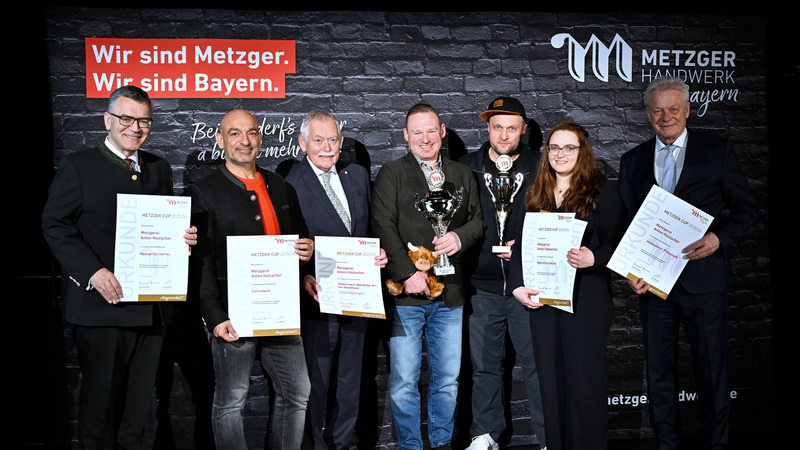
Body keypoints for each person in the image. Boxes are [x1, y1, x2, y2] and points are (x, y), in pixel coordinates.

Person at [41, 85, 197, 448]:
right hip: (102, 311)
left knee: (137, 417)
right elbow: (54, 223)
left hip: (151, 309)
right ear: (107, 120)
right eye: (126, 118)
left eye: (144, 121)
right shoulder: (78, 166)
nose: (135, 128)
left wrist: (182, 238)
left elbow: (160, 224)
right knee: (100, 414)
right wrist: (92, 271)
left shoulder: (158, 167)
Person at [617, 77, 758, 450]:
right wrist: (631, 270)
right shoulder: (632, 161)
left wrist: (717, 238)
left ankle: (717, 445)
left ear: (687, 110)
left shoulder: (716, 151)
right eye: (658, 110)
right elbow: (625, 225)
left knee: (711, 372)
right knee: (659, 374)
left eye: (673, 109)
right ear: (648, 114)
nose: (666, 117)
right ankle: (667, 445)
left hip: (704, 283)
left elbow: (747, 209)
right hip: (652, 285)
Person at [188, 109, 314, 449]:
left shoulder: (280, 186)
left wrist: (305, 259)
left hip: (281, 312)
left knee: (298, 391)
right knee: (232, 399)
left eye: (252, 133)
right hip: (233, 317)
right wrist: (214, 316)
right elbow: (201, 261)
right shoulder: (204, 191)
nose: (245, 141)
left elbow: (296, 239)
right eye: (235, 133)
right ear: (220, 140)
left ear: (260, 138)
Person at [371, 103, 485, 450]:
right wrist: (407, 273)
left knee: (447, 380)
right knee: (404, 381)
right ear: (406, 136)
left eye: (431, 131)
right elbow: (382, 225)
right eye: (417, 132)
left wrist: (458, 238)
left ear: (442, 132)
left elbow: (478, 221)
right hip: (406, 296)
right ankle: (410, 446)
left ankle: (440, 444)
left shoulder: (461, 174)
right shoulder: (391, 173)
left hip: (450, 291)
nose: (425, 139)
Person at [510, 121, 627, 450]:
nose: (560, 154)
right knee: (551, 385)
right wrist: (517, 286)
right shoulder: (535, 191)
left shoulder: (602, 191)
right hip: (543, 303)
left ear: (582, 151)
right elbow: (519, 245)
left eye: (569, 147)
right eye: (554, 147)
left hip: (586, 303)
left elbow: (621, 243)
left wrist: (595, 258)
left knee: (584, 385)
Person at [284, 110, 388, 449]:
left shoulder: (356, 174)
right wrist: (303, 272)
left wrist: (381, 253)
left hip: (358, 297)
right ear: (302, 143)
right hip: (318, 297)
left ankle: (341, 444)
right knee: (316, 383)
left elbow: (371, 229)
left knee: (350, 381)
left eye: (333, 139)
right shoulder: (289, 182)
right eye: (318, 140)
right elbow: (285, 240)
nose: (327, 147)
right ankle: (314, 445)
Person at [458, 97, 546, 450]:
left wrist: (524, 249)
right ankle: (486, 434)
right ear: (488, 128)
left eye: (511, 128)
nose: (504, 134)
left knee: (537, 366)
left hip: (528, 285)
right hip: (482, 286)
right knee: (483, 367)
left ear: (524, 130)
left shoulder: (541, 166)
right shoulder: (466, 167)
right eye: (497, 127)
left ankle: (548, 437)